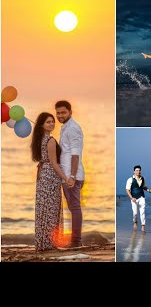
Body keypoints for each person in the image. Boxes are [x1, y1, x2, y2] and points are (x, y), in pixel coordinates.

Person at [31, 112, 69, 251]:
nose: (52, 124)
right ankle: (50, 243)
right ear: (41, 125)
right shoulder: (50, 140)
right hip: (50, 176)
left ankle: (43, 242)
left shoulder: (38, 139)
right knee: (51, 209)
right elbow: (54, 163)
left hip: (42, 176)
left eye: (52, 121)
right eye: (48, 122)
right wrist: (66, 178)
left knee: (44, 209)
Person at [55, 100, 85, 248]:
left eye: (63, 112)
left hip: (72, 176)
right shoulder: (65, 128)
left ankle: (76, 241)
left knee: (74, 207)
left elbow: (75, 155)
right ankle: (75, 240)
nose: (60, 115)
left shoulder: (73, 128)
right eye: (58, 113)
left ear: (70, 112)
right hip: (66, 176)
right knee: (73, 207)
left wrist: (72, 177)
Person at [125, 165, 150, 233]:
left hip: (142, 197)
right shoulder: (130, 179)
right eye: (137, 170)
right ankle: (135, 222)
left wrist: (148, 190)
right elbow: (127, 190)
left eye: (139, 170)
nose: (138, 171)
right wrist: (131, 198)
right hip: (134, 198)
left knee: (142, 212)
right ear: (134, 171)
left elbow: (144, 187)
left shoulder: (143, 179)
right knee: (135, 213)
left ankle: (143, 226)